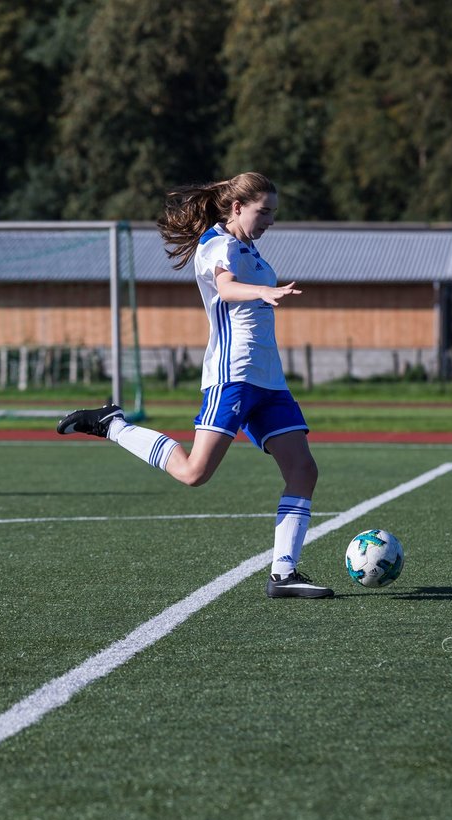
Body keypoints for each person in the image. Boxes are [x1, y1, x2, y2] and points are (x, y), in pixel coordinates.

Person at [57, 172, 329, 598]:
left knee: (303, 470)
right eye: (265, 211)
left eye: (274, 212)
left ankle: (284, 574)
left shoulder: (246, 247)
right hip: (232, 376)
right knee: (193, 473)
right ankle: (113, 425)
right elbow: (225, 287)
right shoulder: (217, 245)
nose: (271, 220)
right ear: (237, 207)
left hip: (269, 381)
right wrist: (264, 291)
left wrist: (264, 289)